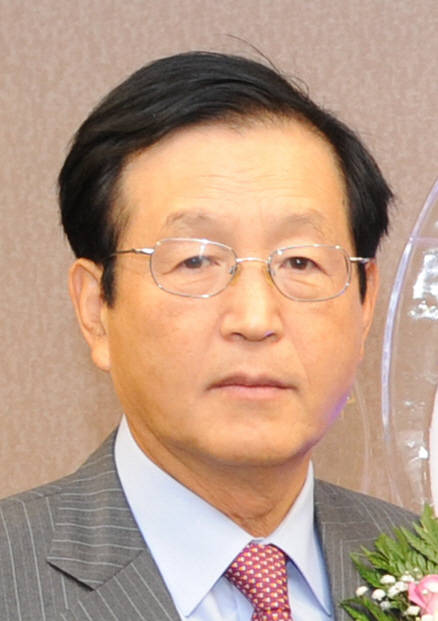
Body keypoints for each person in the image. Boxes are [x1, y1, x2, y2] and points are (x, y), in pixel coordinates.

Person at [0, 51, 415, 621]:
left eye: (300, 262)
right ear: (96, 309)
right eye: (196, 260)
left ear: (365, 304)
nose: (255, 318)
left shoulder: (418, 563)